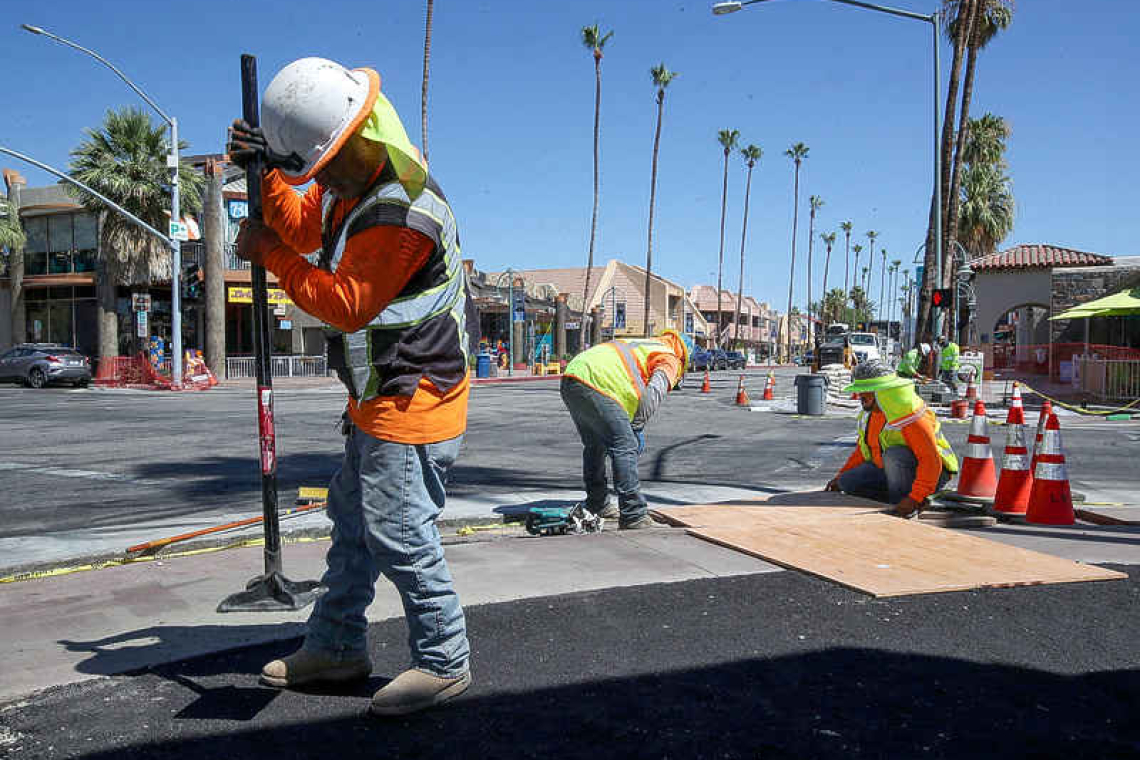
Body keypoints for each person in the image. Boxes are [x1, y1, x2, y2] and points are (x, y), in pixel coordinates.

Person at [228, 57, 477, 716]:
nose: (319, 178)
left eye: (315, 164)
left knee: (400, 533)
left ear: (345, 142)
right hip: (378, 396)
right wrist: (272, 172)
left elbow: (346, 304)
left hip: (415, 397)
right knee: (355, 527)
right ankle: (337, 648)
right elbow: (300, 226)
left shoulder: (402, 209)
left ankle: (445, 661)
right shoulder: (353, 183)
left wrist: (269, 255)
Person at [560, 330, 694, 529]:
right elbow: (653, 394)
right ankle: (634, 514)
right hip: (596, 383)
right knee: (624, 444)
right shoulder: (670, 358)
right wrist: (637, 427)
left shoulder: (643, 344)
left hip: (572, 377)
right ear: (684, 357)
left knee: (595, 445)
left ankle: (597, 504)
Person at [826, 360, 959, 517]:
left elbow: (930, 461)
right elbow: (863, 451)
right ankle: (898, 501)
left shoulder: (911, 416)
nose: (860, 395)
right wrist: (839, 476)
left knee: (894, 455)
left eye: (866, 391)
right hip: (893, 470)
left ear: (883, 392)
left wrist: (915, 497)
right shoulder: (870, 414)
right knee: (847, 482)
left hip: (934, 474)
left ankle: (909, 503)